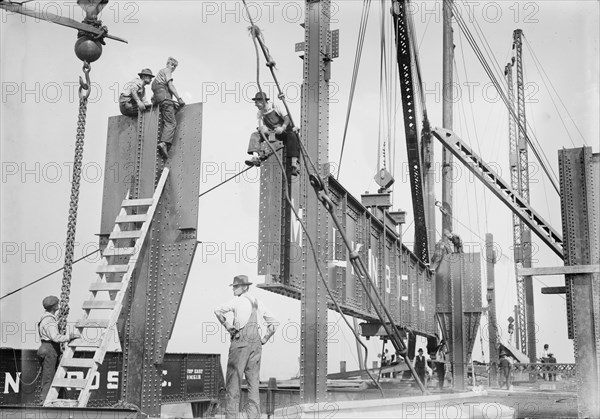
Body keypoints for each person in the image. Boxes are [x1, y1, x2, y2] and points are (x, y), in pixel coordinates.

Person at [214, 275, 278, 419]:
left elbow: (217, 310)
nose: (233, 290)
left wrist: (227, 326)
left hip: (240, 344)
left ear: (244, 287)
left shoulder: (237, 301)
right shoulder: (257, 302)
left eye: (235, 287)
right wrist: (265, 339)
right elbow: (274, 323)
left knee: (233, 384)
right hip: (256, 346)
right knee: (253, 385)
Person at [244, 91, 300, 176]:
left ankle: (294, 163)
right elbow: (260, 125)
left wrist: (282, 127)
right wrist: (262, 129)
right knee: (255, 135)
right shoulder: (260, 113)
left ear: (263, 101)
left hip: (283, 132)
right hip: (272, 133)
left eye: (257, 102)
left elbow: (287, 118)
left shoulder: (275, 106)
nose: (256, 105)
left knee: (292, 135)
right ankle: (255, 157)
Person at [37, 295, 79, 404]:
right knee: (49, 375)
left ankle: (52, 398)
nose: (58, 306)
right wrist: (69, 337)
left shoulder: (46, 318)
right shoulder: (49, 320)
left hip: (45, 347)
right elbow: (55, 337)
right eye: (57, 304)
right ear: (54, 306)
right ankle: (45, 400)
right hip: (49, 349)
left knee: (50, 374)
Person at [151, 57, 185, 159]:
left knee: (167, 118)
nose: (173, 67)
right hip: (165, 98)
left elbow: (154, 96)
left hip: (160, 99)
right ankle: (164, 143)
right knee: (171, 122)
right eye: (172, 65)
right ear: (167, 64)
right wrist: (179, 98)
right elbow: (170, 86)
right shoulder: (167, 71)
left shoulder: (158, 76)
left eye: (175, 66)